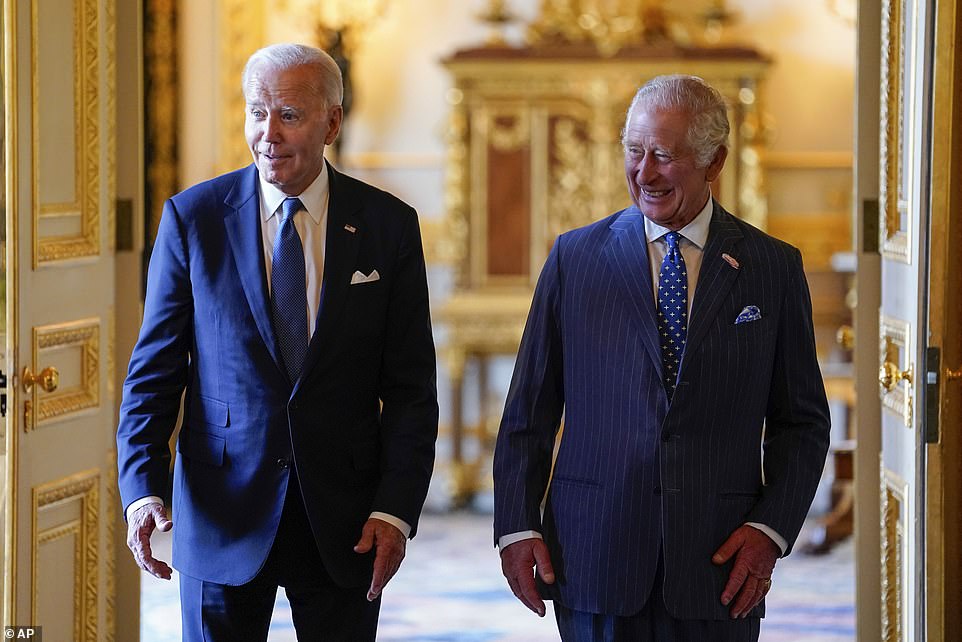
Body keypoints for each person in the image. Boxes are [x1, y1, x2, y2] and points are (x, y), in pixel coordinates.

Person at [117, 43, 438, 641]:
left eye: (289, 114)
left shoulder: (388, 227)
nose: (268, 133)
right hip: (220, 514)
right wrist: (142, 492)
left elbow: (411, 390)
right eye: (256, 111)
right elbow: (153, 375)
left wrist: (394, 508)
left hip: (344, 518)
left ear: (332, 122)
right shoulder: (193, 219)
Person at [492, 74, 830, 641]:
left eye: (664, 156)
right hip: (593, 555)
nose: (643, 173)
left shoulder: (773, 268)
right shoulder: (575, 258)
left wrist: (770, 529)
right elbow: (528, 410)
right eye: (634, 151)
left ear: (714, 161)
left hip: (720, 564)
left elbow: (802, 422)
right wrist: (516, 525)